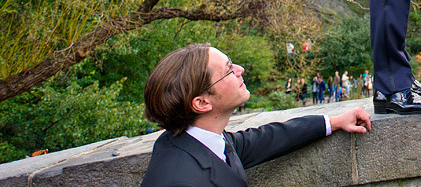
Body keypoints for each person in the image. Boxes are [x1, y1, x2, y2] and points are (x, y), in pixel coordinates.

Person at [141, 44, 370, 187]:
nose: (240, 70)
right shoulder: (179, 180)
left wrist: (334, 122)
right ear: (201, 103)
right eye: (229, 70)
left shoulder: (198, 140)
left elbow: (267, 139)